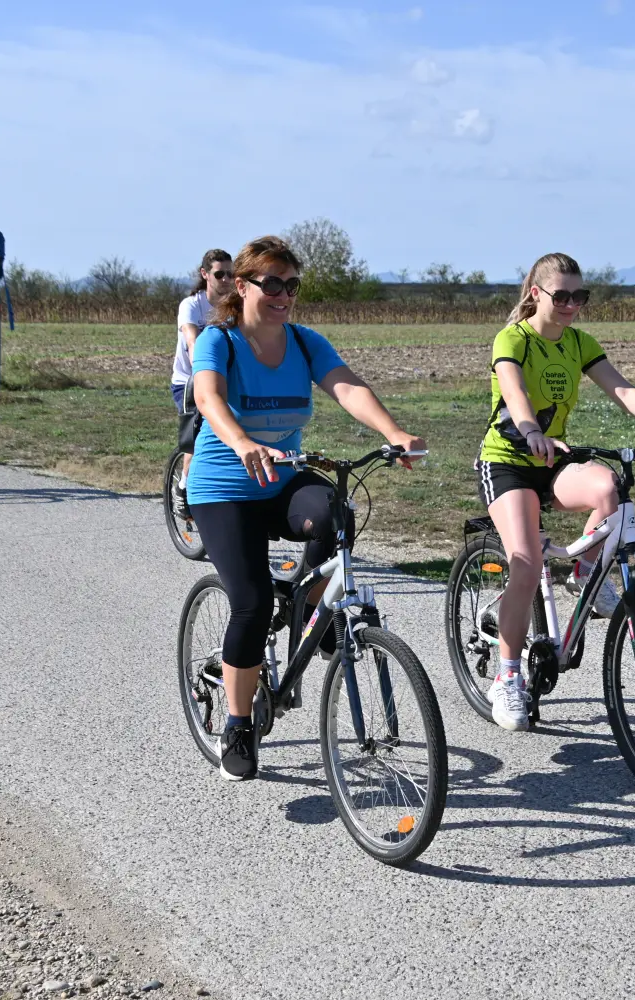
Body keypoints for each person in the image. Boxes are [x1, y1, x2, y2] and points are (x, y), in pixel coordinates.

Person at [188, 236, 425, 780]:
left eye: (291, 285)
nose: (283, 294)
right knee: (247, 604)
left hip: (281, 482)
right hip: (224, 489)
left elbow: (347, 387)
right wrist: (243, 442)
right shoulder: (218, 342)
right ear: (242, 286)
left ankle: (305, 604)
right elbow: (209, 399)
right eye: (271, 283)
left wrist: (393, 432)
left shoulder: (303, 341)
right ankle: (239, 722)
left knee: (335, 510)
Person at [478, 252, 635, 732]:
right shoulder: (513, 338)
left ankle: (584, 576)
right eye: (560, 296)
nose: (569, 305)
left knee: (610, 488)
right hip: (508, 461)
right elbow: (516, 394)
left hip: (553, 457)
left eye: (578, 296)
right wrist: (529, 431)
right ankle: (506, 678)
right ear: (535, 294)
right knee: (525, 561)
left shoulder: (580, 343)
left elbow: (623, 391)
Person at [170, 249, 235, 516]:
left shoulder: (234, 306)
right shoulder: (192, 305)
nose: (226, 280)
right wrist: (204, 370)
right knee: (200, 435)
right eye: (220, 274)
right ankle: (184, 487)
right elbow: (192, 340)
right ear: (205, 274)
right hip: (189, 380)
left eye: (231, 274)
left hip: (224, 378)